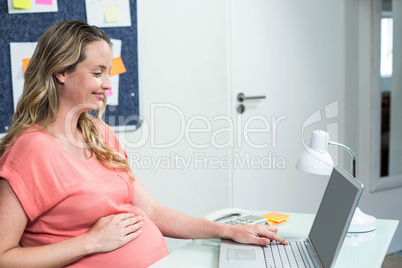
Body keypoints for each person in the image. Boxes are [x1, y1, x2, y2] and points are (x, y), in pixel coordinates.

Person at [0, 20, 286, 267]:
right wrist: (90, 243)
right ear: (61, 72)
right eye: (97, 73)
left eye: (109, 72)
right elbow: (3, 256)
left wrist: (226, 230)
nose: (108, 85)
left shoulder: (98, 133)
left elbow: (151, 211)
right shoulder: (31, 150)